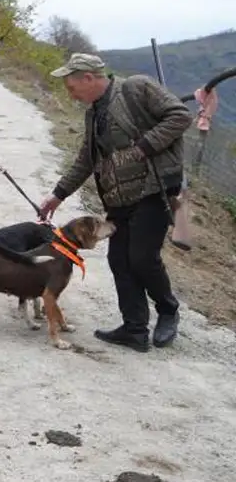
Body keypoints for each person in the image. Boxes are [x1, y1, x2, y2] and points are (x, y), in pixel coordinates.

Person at [38, 53, 193, 351]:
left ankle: (168, 311)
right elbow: (86, 159)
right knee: (119, 259)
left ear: (88, 78)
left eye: (72, 87)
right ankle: (134, 329)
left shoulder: (137, 87)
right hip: (118, 198)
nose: (71, 95)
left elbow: (180, 116)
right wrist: (58, 195)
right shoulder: (93, 113)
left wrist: (144, 147)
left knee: (142, 257)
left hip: (155, 189)